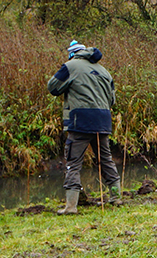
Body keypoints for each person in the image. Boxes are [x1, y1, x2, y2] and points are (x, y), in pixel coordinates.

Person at [48, 40, 119, 214]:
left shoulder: (70, 66)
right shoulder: (104, 71)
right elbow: (113, 100)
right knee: (106, 159)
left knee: (74, 162)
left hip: (80, 120)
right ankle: (116, 197)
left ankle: (71, 206)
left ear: (72, 54)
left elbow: (53, 87)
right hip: (103, 120)